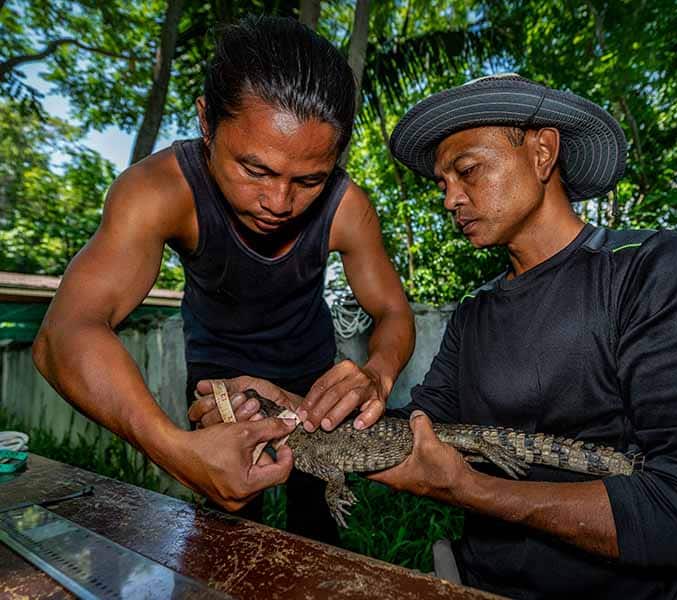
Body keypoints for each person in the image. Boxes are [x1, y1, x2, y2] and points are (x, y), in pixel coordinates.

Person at [362, 74, 677, 598]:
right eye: (442, 183)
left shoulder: (656, 274)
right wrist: (303, 412)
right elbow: (419, 428)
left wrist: (471, 490)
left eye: (467, 171)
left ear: (542, 153)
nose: (450, 199)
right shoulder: (475, 312)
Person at [32, 15, 415, 545]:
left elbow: (394, 311)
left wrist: (379, 372)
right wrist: (172, 447)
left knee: (320, 535)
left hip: (312, 386)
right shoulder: (158, 192)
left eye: (308, 180)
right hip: (220, 387)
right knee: (223, 539)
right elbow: (63, 334)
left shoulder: (348, 208)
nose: (278, 203)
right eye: (255, 170)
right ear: (207, 122)